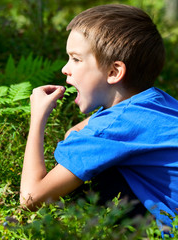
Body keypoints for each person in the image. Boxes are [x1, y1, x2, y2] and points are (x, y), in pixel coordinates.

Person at [20, 4, 178, 231]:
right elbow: (75, 134)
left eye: (76, 59)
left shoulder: (113, 128)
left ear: (114, 72)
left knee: (99, 177)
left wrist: (37, 119)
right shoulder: (154, 102)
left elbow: (30, 199)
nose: (66, 69)